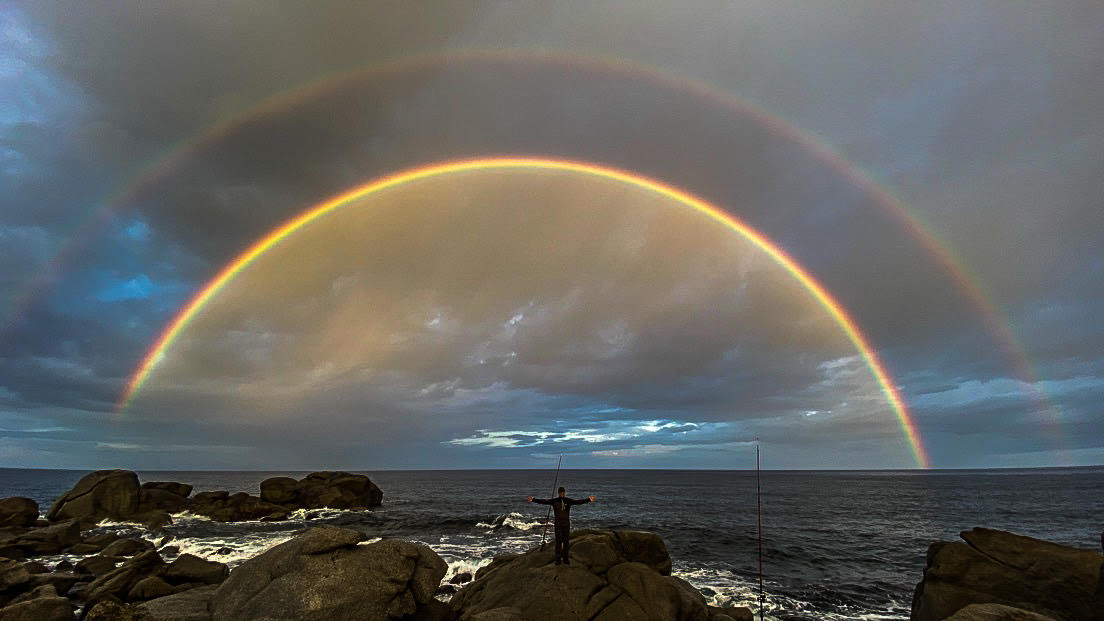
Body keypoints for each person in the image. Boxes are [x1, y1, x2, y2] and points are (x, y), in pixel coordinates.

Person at [527, 486, 596, 565]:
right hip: (558, 524)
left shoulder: (568, 501)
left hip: (566, 524)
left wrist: (588, 499)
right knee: (558, 541)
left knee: (566, 542)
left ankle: (565, 558)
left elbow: (578, 502)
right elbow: (544, 501)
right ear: (558, 493)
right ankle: (558, 558)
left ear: (565, 493)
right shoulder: (555, 501)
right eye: (560, 492)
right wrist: (533, 500)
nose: (562, 493)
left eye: (563, 492)